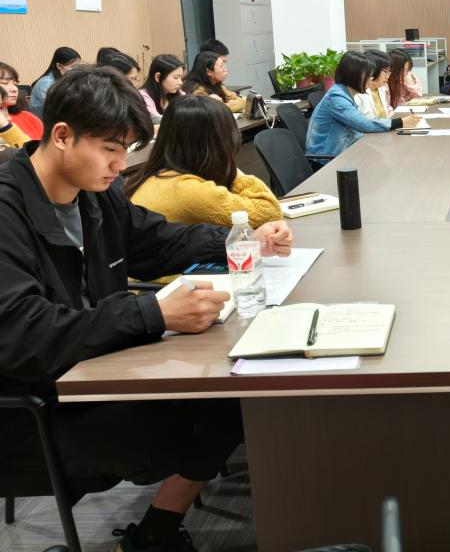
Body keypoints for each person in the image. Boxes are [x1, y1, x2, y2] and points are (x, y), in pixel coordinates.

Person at [0, 66, 293, 552]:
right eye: (110, 149)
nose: (120, 164)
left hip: (100, 371)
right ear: (62, 136)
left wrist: (241, 238)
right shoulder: (8, 209)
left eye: (127, 150)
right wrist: (154, 315)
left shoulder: (94, 196)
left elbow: (157, 240)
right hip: (34, 409)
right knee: (211, 415)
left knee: (232, 398)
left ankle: (154, 535)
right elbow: (23, 336)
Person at [128, 96, 281, 229]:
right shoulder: (188, 190)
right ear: (217, 143)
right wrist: (231, 168)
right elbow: (269, 210)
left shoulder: (158, 176)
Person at [306, 51, 419, 162]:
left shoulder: (344, 93)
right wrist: (400, 122)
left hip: (345, 151)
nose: (371, 79)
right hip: (327, 160)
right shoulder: (337, 98)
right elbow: (364, 124)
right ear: (354, 75)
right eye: (368, 75)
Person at [0, 62, 43, 147]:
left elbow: (43, 150)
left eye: (15, 84)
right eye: (5, 83)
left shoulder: (28, 117)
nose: (14, 89)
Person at [29, 47, 81, 116]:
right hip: (41, 120)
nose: (76, 70)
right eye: (73, 67)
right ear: (58, 66)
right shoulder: (46, 82)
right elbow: (57, 107)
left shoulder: (66, 80)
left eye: (78, 67)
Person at [355, 50, 394, 118]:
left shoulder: (382, 89)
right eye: (385, 71)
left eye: (389, 72)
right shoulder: (358, 94)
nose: (388, 76)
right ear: (374, 70)